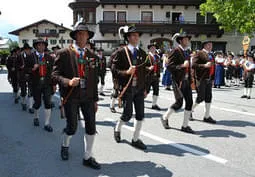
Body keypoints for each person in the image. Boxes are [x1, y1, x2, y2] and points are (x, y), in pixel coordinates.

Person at [52, 22, 101, 169]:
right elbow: (54, 76)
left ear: (88, 37)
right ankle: (65, 145)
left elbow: (94, 80)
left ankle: (87, 156)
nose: (82, 36)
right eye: (79, 33)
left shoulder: (92, 56)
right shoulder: (64, 53)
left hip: (88, 97)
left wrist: (95, 100)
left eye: (84, 34)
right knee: (72, 127)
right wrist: (68, 81)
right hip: (71, 96)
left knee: (91, 127)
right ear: (75, 36)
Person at [112, 25, 149, 150]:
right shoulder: (121, 52)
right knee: (127, 114)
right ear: (128, 37)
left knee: (140, 115)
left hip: (138, 88)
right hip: (126, 87)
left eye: (137, 35)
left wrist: (145, 88)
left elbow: (144, 73)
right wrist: (126, 72)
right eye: (133, 35)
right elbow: (114, 69)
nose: (136, 37)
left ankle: (135, 139)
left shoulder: (143, 54)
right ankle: (117, 128)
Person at [161, 32, 195, 134]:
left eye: (188, 39)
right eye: (185, 39)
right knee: (179, 103)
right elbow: (169, 66)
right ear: (180, 40)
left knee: (189, 102)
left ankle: (185, 125)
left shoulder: (187, 52)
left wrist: (191, 77)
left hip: (186, 81)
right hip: (177, 81)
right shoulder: (175, 51)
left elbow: (188, 66)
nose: (187, 41)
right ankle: (164, 117)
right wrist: (182, 66)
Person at [31, 38, 55, 131]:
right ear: (36, 46)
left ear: (45, 46)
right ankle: (36, 117)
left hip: (47, 84)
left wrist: (53, 84)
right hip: (36, 84)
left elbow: (53, 72)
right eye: (39, 45)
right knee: (37, 103)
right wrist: (32, 69)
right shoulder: (31, 57)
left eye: (43, 45)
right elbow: (25, 70)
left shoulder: (50, 58)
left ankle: (47, 123)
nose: (41, 46)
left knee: (48, 103)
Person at [192, 40, 216, 124]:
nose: (210, 46)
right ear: (205, 46)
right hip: (201, 79)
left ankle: (207, 116)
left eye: (211, 45)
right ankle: (190, 110)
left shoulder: (212, 54)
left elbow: (213, 67)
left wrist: (213, 79)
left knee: (209, 97)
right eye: (209, 45)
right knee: (201, 97)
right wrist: (204, 65)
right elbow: (193, 65)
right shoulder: (199, 53)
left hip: (209, 79)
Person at [17, 43, 35, 113]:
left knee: (31, 91)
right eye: (26, 49)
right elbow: (16, 66)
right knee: (23, 90)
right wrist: (20, 67)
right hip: (22, 76)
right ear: (24, 50)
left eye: (29, 49)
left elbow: (34, 65)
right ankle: (24, 102)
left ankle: (30, 107)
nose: (28, 51)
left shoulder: (32, 56)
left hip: (30, 76)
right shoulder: (19, 56)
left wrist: (30, 70)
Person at [109, 40, 126, 113]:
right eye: (121, 46)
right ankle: (112, 106)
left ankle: (120, 104)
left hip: (124, 75)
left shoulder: (126, 54)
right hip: (116, 76)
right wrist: (115, 74)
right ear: (119, 46)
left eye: (124, 45)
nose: (122, 47)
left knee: (123, 91)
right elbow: (110, 65)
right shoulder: (114, 54)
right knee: (115, 91)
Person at [146, 43, 161, 110]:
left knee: (156, 90)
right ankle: (137, 102)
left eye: (154, 48)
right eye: (152, 48)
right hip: (148, 76)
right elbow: (142, 66)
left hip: (155, 76)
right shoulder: (146, 56)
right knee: (146, 91)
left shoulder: (157, 57)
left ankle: (154, 105)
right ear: (149, 49)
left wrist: (159, 75)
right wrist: (148, 68)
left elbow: (159, 67)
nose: (153, 49)